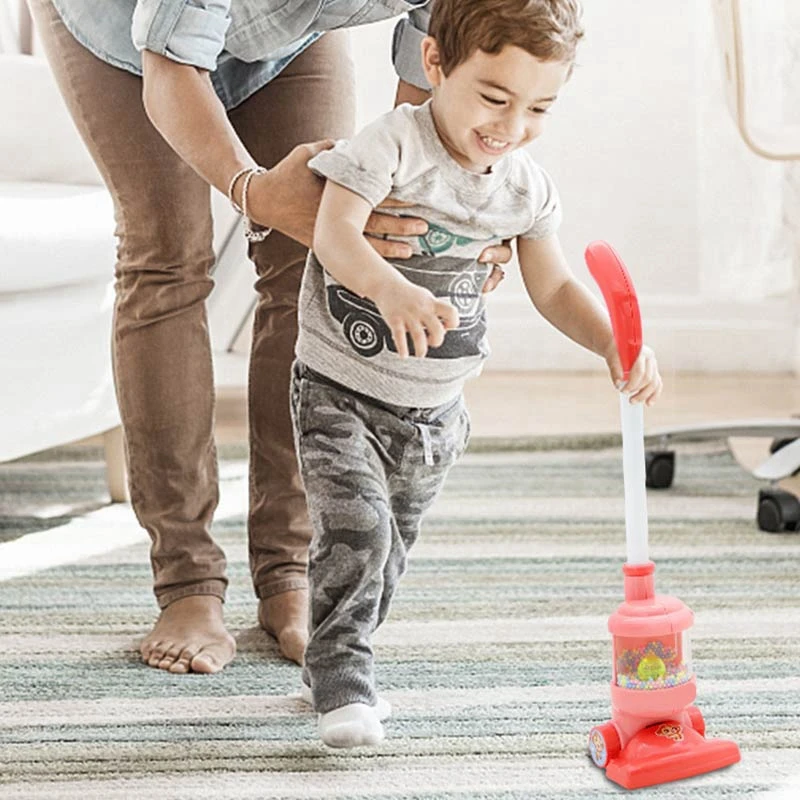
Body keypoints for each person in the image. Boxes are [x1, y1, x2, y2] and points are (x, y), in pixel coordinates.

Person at [28, 0, 513, 673]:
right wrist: (253, 191)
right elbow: (172, 64)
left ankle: (290, 568)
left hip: (285, 37)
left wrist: (433, 199)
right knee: (166, 255)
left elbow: (442, 61)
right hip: (118, 30)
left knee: (315, 262)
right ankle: (187, 581)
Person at [291, 0, 662, 747]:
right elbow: (333, 232)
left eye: (539, 108)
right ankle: (341, 678)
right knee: (356, 530)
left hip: (435, 412)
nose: (510, 125)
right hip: (341, 389)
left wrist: (614, 345)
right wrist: (389, 289)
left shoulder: (524, 188)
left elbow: (554, 287)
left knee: (387, 549)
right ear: (435, 65)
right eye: (494, 97)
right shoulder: (390, 145)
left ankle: (341, 647)